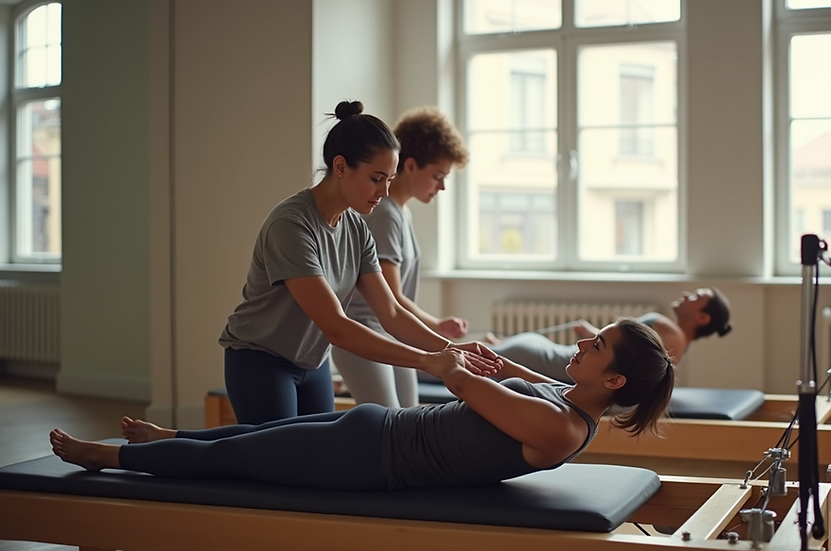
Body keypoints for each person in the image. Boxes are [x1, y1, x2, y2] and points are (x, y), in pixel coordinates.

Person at [50, 319, 676, 492]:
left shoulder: (563, 430)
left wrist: (447, 353)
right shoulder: (564, 401)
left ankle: (110, 458)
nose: (581, 343)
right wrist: (498, 362)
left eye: (597, 346)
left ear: (615, 381)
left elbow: (462, 384)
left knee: (237, 461)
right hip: (376, 429)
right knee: (244, 438)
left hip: (368, 459)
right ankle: (166, 436)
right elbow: (512, 380)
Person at [218, 100, 498, 425]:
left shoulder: (357, 227)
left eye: (389, 180)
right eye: (376, 178)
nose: (384, 191)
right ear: (340, 166)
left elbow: (391, 312)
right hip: (260, 359)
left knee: (319, 461)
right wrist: (429, 361)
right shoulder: (291, 224)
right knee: (267, 461)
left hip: (312, 362)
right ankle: (168, 440)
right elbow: (336, 326)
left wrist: (451, 349)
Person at [333, 106, 471, 408]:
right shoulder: (385, 215)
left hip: (391, 333)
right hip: (367, 332)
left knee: (407, 422)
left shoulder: (399, 213)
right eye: (437, 176)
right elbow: (392, 297)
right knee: (392, 426)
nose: (442, 186)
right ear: (409, 166)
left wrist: (434, 329)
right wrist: (434, 326)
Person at [485, 287, 732, 384]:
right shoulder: (676, 341)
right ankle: (501, 346)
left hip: (548, 359)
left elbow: (625, 359)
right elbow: (624, 351)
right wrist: (592, 333)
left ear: (703, 317)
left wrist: (593, 334)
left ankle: (498, 347)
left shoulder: (671, 333)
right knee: (471, 354)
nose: (687, 294)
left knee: (461, 356)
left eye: (696, 297)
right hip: (541, 353)